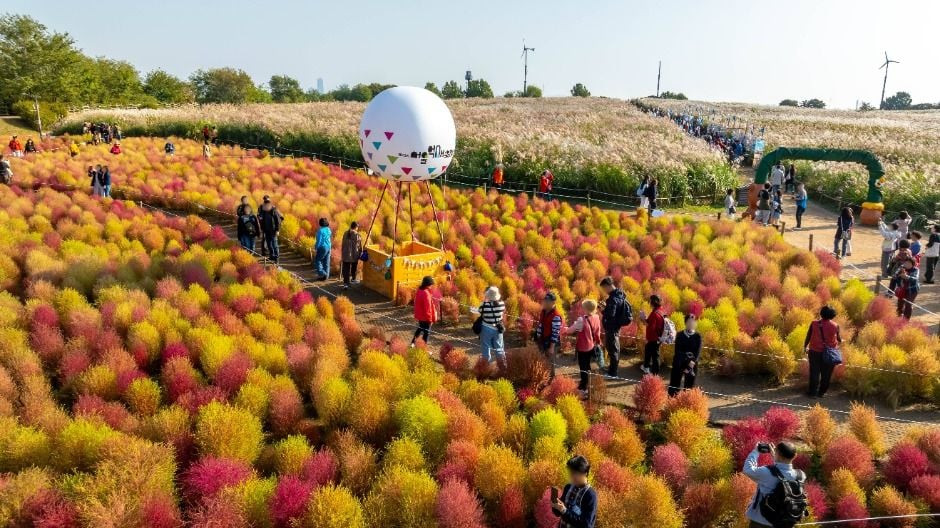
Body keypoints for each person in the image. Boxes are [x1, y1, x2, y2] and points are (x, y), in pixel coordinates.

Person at [744, 442, 806, 528]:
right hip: (785, 521)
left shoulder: (766, 472)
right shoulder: (801, 475)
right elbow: (783, 471)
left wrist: (756, 451)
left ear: (778, 454)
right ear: (795, 456)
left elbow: (747, 469)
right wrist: (776, 456)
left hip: (761, 522)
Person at [565, 299, 602, 396]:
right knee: (588, 366)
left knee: (583, 367)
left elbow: (570, 330)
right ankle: (588, 383)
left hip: (583, 348)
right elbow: (597, 332)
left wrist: (563, 329)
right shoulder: (596, 317)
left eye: (583, 307)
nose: (582, 309)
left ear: (586, 309)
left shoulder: (582, 320)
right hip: (591, 345)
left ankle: (583, 388)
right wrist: (598, 342)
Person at [803, 305, 842, 398]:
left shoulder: (814, 323)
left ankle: (812, 393)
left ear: (821, 313)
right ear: (832, 315)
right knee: (826, 374)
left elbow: (808, 336)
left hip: (814, 352)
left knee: (814, 372)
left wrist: (805, 346)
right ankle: (821, 393)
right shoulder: (836, 326)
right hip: (829, 354)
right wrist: (841, 341)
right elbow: (839, 339)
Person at [550, 455, 597, 528]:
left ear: (585, 473)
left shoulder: (590, 495)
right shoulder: (568, 487)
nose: (572, 476)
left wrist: (564, 511)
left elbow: (586, 524)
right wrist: (555, 506)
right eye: (571, 473)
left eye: (575, 473)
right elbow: (558, 514)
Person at [599, 276, 632, 377]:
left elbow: (610, 315)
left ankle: (613, 373)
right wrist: (606, 308)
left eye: (604, 288)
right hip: (615, 327)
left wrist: (603, 310)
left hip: (612, 328)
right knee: (613, 349)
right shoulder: (619, 295)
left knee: (613, 350)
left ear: (607, 286)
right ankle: (612, 369)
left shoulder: (613, 299)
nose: (604, 291)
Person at [669, 314, 701, 396]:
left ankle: (686, 401)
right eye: (689, 322)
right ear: (685, 323)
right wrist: (686, 358)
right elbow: (677, 351)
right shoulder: (680, 335)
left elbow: (697, 353)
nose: (691, 324)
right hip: (679, 362)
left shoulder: (698, 336)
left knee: (689, 387)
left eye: (693, 322)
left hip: (692, 365)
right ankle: (672, 400)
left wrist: (690, 365)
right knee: (674, 384)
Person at [476, 286, 506, 367]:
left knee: (486, 348)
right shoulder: (502, 304)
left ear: (488, 295)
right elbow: (503, 312)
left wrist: (486, 300)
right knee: (499, 348)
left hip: (486, 328)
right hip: (498, 329)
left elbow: (479, 311)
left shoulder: (484, 305)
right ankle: (502, 366)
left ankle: (486, 367)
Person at [534, 292, 563, 377]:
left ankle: (551, 379)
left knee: (550, 363)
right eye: (544, 300)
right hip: (542, 340)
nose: (545, 302)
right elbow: (540, 324)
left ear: (553, 302)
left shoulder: (556, 316)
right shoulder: (543, 311)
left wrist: (551, 347)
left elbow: (555, 333)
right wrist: (537, 336)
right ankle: (544, 377)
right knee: (543, 361)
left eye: (547, 301)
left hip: (550, 343)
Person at [638, 295, 665, 375]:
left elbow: (650, 327)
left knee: (654, 356)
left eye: (650, 301)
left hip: (653, 338)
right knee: (649, 352)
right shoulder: (660, 311)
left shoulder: (654, 313)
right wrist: (646, 319)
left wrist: (643, 319)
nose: (649, 303)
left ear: (653, 302)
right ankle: (646, 367)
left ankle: (654, 374)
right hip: (658, 337)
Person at [411, 276, 438, 346]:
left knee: (420, 329)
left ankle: (412, 344)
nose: (432, 286)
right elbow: (428, 309)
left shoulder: (419, 290)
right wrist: (430, 320)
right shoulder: (426, 293)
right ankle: (423, 347)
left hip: (420, 316)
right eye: (431, 284)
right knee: (426, 333)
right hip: (426, 318)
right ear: (427, 284)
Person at [257, 195, 282, 264]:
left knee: (274, 244)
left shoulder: (274, 210)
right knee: (269, 244)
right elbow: (259, 216)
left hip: (273, 231)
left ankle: (276, 258)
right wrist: (260, 218)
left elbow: (278, 221)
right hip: (266, 230)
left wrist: (277, 230)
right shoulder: (263, 210)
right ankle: (271, 256)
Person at [340, 221, 362, 289]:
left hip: (345, 254)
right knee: (354, 267)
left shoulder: (345, 233)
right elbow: (359, 246)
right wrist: (361, 252)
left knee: (346, 269)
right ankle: (353, 279)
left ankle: (346, 283)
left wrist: (343, 252)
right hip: (354, 254)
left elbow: (343, 243)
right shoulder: (357, 235)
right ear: (356, 227)